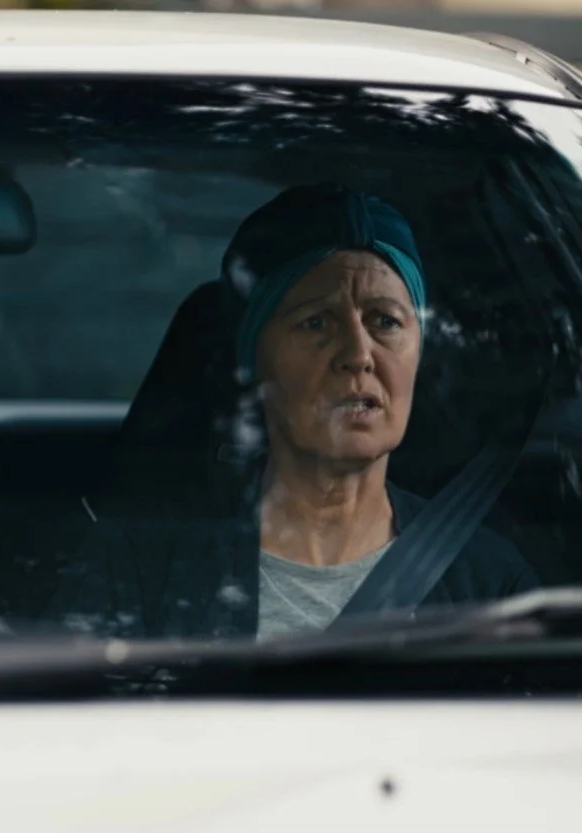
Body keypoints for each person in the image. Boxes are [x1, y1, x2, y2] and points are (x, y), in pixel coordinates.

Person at [44, 183, 535, 640]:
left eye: (385, 321)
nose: (358, 354)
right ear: (253, 361)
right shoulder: (143, 562)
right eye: (317, 322)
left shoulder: (491, 584)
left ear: (418, 350)